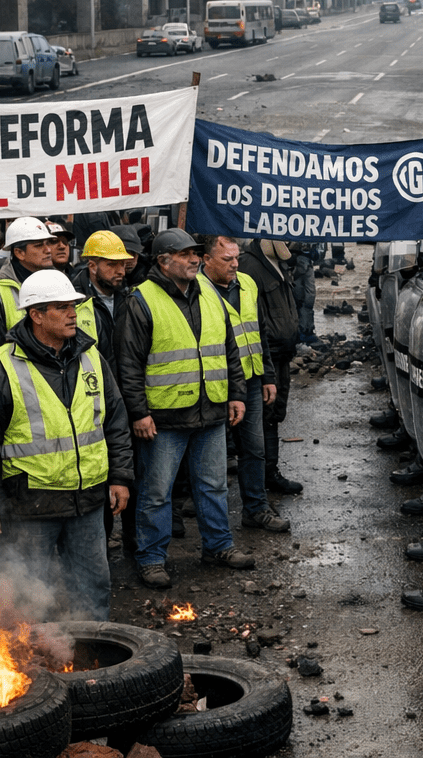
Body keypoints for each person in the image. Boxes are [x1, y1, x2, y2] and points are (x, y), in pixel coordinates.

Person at [0, 270, 133, 621]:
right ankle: (33, 665)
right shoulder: (0, 368)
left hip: (87, 501)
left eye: (74, 305)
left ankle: (95, 656)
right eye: (61, 307)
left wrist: (121, 477)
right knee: (30, 594)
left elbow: (114, 421)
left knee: (93, 587)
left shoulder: (92, 357)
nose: (73, 313)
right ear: (36, 315)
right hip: (30, 506)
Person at [117, 227, 251, 589]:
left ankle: (218, 547)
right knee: (156, 492)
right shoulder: (141, 300)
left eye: (196, 253)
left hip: (210, 411)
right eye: (185, 254)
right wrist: (139, 413)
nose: (194, 259)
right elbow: (128, 365)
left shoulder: (207, 293)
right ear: (163, 261)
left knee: (213, 485)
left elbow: (229, 349)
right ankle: (151, 558)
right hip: (164, 418)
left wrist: (236, 394)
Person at [201, 235, 289, 533]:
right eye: (227, 260)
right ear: (207, 259)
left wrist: (267, 376)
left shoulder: (247, 284)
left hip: (250, 381)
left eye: (236, 258)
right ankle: (204, 523)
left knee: (254, 448)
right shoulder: (196, 291)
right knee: (206, 458)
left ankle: (256, 508)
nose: (235, 264)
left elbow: (259, 333)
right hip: (213, 383)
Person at [237, 238, 303, 494]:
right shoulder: (250, 267)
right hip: (266, 355)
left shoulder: (277, 263)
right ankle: (263, 476)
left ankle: (269, 472)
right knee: (262, 417)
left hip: (281, 354)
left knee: (274, 414)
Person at [73, 230, 132, 373]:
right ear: (92, 267)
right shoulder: (75, 302)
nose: (121, 272)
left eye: (122, 264)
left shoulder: (130, 298)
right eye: (112, 265)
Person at [0, 217, 57, 330]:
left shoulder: (59, 280)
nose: (48, 250)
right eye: (39, 245)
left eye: (48, 243)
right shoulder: (0, 288)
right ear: (19, 253)